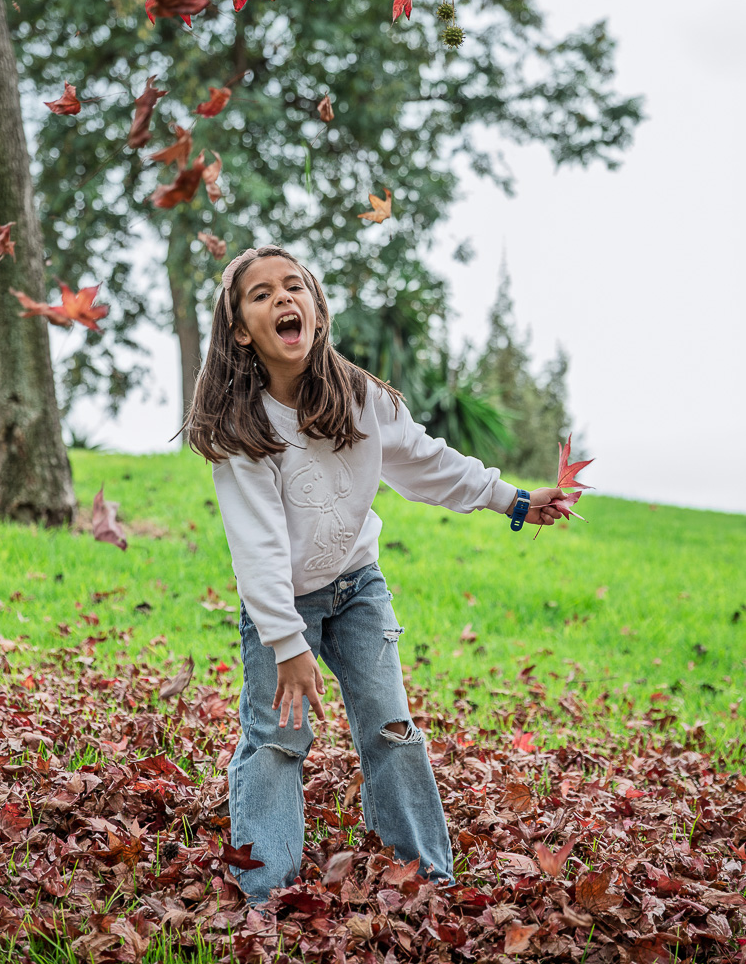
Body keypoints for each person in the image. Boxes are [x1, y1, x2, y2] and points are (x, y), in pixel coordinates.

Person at [183, 245, 566, 904]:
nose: (283, 298)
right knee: (278, 738)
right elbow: (258, 549)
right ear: (241, 329)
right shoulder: (243, 430)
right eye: (262, 293)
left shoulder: (358, 397)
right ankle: (265, 893)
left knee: (391, 724)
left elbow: (427, 462)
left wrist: (516, 500)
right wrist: (288, 643)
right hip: (283, 606)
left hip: (357, 584)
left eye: (294, 286)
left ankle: (425, 876)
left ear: (316, 308)